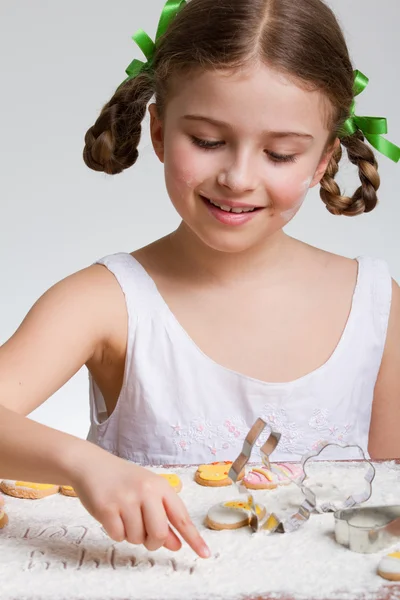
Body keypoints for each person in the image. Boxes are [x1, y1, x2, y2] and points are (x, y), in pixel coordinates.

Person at [0, 0, 399, 559]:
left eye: (280, 153)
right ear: (159, 132)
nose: (237, 177)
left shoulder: (376, 304)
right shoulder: (102, 302)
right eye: (208, 141)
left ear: (323, 161)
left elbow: (389, 501)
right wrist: (83, 462)